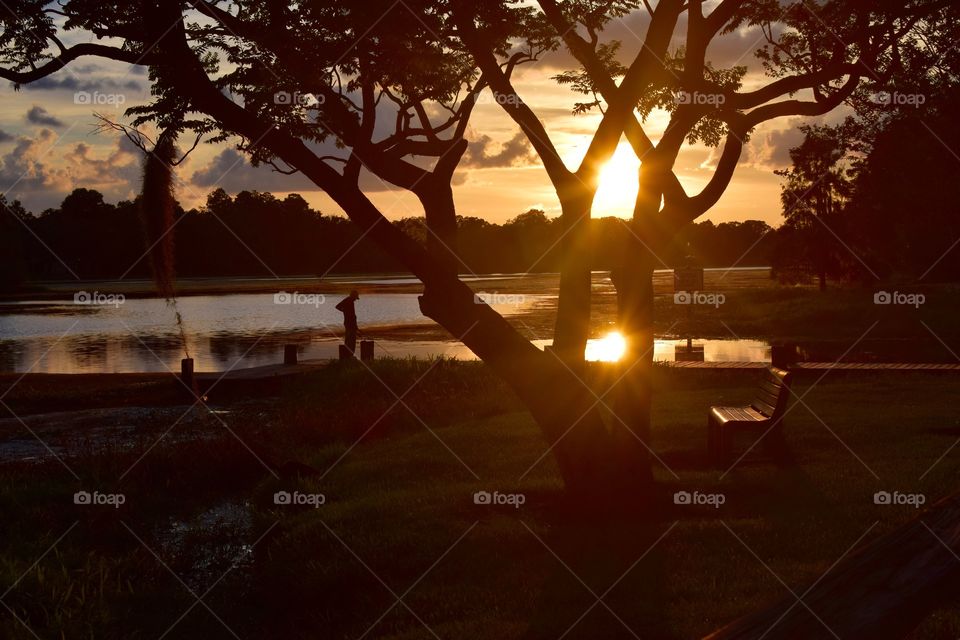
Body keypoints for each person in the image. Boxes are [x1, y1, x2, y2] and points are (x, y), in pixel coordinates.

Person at [335, 289, 360, 355]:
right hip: (350, 323)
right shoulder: (349, 301)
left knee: (349, 339)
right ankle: (349, 354)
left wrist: (344, 311)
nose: (355, 299)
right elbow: (337, 307)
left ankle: (348, 354)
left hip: (349, 323)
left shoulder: (349, 300)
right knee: (351, 340)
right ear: (353, 296)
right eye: (355, 298)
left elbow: (338, 307)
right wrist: (344, 311)